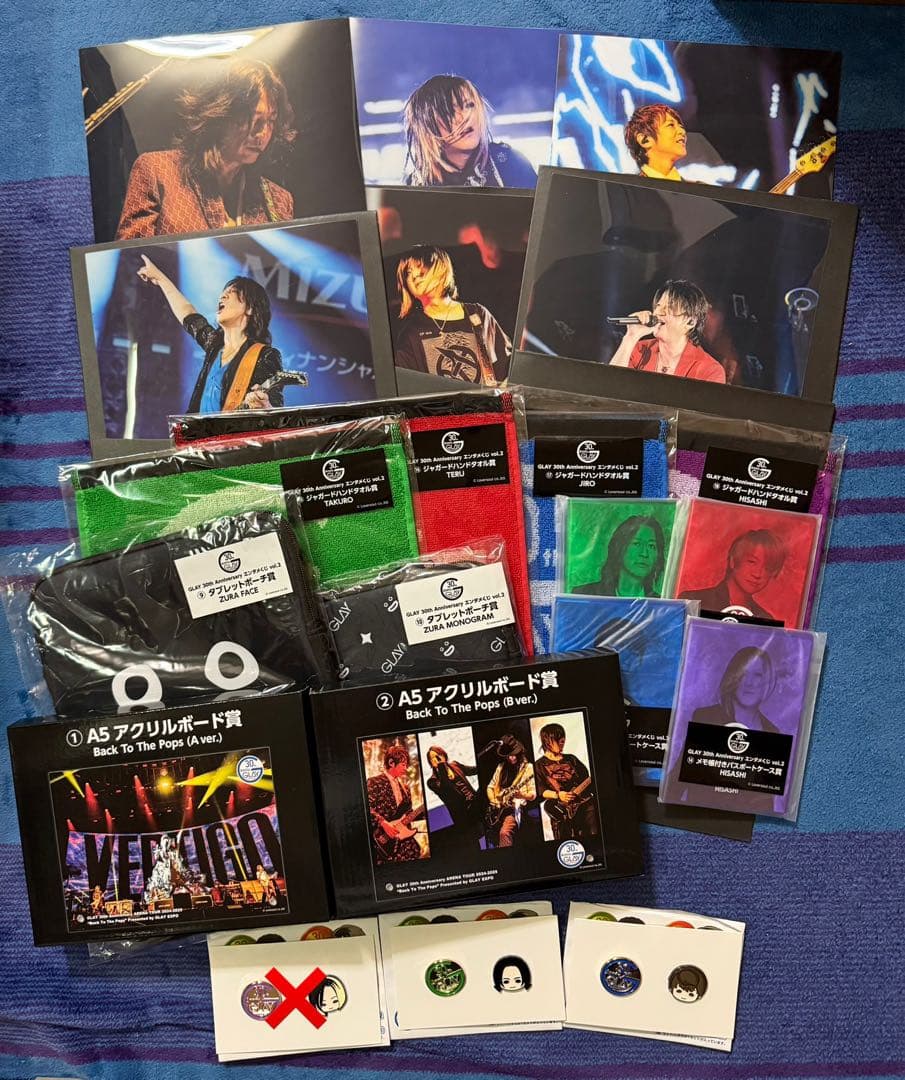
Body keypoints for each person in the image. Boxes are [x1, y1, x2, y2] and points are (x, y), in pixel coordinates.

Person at [115, 59, 296, 239]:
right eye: (254, 119)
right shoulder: (157, 171)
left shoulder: (279, 200)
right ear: (221, 113)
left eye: (271, 121)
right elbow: (133, 256)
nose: (262, 133)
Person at [136, 257, 284, 413]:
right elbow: (188, 313)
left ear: (250, 309)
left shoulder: (265, 355)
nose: (222, 297)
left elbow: (275, 409)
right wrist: (159, 277)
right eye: (223, 293)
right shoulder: (215, 345)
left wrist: (265, 406)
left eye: (231, 292)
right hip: (197, 428)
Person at [393, 246, 512, 384]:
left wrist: (505, 398)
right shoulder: (411, 332)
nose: (414, 275)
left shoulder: (477, 314)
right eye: (408, 272)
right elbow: (407, 385)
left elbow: (507, 370)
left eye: (421, 266)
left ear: (442, 268)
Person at [402, 74, 537, 188]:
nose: (464, 117)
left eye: (469, 105)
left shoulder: (509, 162)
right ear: (427, 126)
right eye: (449, 112)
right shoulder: (415, 185)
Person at [609, 280, 726, 384]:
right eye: (658, 306)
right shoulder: (638, 350)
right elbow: (611, 387)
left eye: (669, 308)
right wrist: (631, 336)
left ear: (690, 322)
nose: (658, 312)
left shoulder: (709, 370)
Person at [680, 529, 786, 622]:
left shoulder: (764, 619)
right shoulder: (694, 601)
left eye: (767, 568)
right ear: (733, 561)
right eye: (752, 562)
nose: (758, 574)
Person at [691, 647, 781, 734]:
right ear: (732, 677)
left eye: (758, 675)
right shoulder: (705, 717)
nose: (749, 682)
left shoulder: (772, 731)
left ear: (767, 681)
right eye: (743, 673)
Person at [533, 722, 598, 842]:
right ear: (548, 741)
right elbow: (540, 790)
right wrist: (558, 795)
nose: (562, 743)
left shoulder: (571, 759)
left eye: (563, 740)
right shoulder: (538, 765)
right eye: (558, 740)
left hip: (585, 806)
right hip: (561, 811)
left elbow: (587, 780)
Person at [573, 515, 667, 598]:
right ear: (619, 547)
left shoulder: (661, 604)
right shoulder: (584, 595)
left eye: (651, 546)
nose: (644, 553)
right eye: (636, 544)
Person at [367, 745, 424, 865]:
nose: (406, 768)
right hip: (381, 842)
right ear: (391, 763)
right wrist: (383, 823)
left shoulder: (406, 788)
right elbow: (366, 807)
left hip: (402, 842)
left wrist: (424, 811)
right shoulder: (374, 782)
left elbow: (408, 813)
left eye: (406, 765)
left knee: (416, 852)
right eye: (403, 765)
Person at [484, 734, 536, 848]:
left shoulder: (528, 768)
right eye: (508, 756)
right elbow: (490, 787)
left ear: (519, 752)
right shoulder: (501, 767)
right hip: (499, 809)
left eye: (513, 755)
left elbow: (533, 795)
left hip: (515, 809)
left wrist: (521, 795)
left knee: (504, 833)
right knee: (491, 836)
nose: (511, 758)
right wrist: (494, 801)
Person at [425, 746, 482, 847]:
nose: (437, 759)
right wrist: (441, 766)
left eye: (438, 755)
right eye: (432, 758)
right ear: (430, 762)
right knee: (474, 844)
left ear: (444, 755)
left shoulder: (455, 765)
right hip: (463, 815)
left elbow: (473, 770)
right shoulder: (432, 781)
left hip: (475, 803)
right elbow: (446, 788)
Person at [624, 104, 687, 181]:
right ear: (645, 140)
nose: (682, 131)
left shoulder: (696, 186)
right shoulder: (628, 185)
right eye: (671, 125)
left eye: (681, 127)